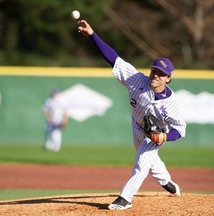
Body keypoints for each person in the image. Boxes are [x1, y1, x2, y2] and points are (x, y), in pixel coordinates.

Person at [77, 20, 186, 210]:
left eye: (161, 74)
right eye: (154, 71)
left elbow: (181, 130)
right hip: (136, 126)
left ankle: (125, 199)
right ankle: (167, 182)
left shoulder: (171, 103)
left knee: (142, 163)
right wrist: (92, 35)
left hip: (156, 134)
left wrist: (164, 137)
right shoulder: (137, 80)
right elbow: (113, 59)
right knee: (148, 160)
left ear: (168, 78)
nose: (156, 75)